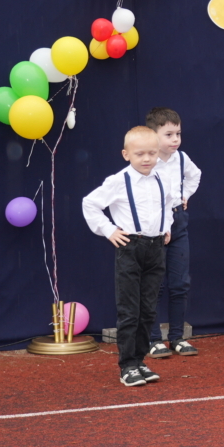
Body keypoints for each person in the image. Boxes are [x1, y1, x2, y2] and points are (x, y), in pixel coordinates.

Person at [81, 125, 179, 387]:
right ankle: (127, 365)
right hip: (130, 249)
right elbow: (90, 203)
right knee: (129, 311)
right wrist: (109, 230)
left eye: (152, 153)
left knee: (148, 310)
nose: (147, 159)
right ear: (126, 154)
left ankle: (140, 360)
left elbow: (169, 203)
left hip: (155, 249)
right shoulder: (118, 181)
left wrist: (166, 226)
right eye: (139, 154)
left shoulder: (162, 178)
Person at [145, 107, 203, 359]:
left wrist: (185, 195)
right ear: (153, 136)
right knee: (154, 285)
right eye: (168, 134)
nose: (175, 139)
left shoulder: (181, 158)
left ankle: (177, 337)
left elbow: (195, 176)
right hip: (155, 225)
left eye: (178, 133)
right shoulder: (147, 161)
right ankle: (153, 339)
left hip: (178, 223)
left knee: (179, 283)